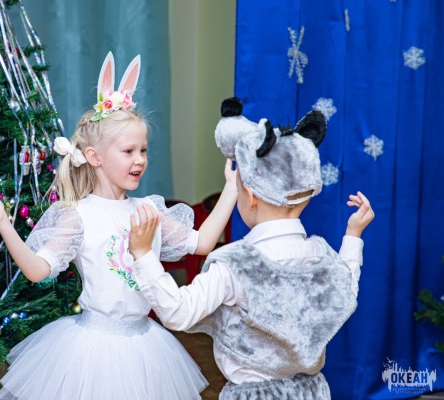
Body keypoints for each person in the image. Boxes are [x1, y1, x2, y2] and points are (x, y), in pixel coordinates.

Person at [0, 52, 237, 400]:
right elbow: (36, 270)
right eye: (128, 151)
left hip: (146, 347)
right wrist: (3, 221)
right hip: (92, 351)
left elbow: (203, 242)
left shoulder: (149, 210)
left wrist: (232, 187)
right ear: (95, 157)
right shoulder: (79, 215)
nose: (140, 160)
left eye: (143, 150)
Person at [128, 105, 375, 399]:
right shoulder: (321, 256)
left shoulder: (236, 264)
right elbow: (346, 290)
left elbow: (179, 312)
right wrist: (353, 236)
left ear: (251, 196)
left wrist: (143, 254)